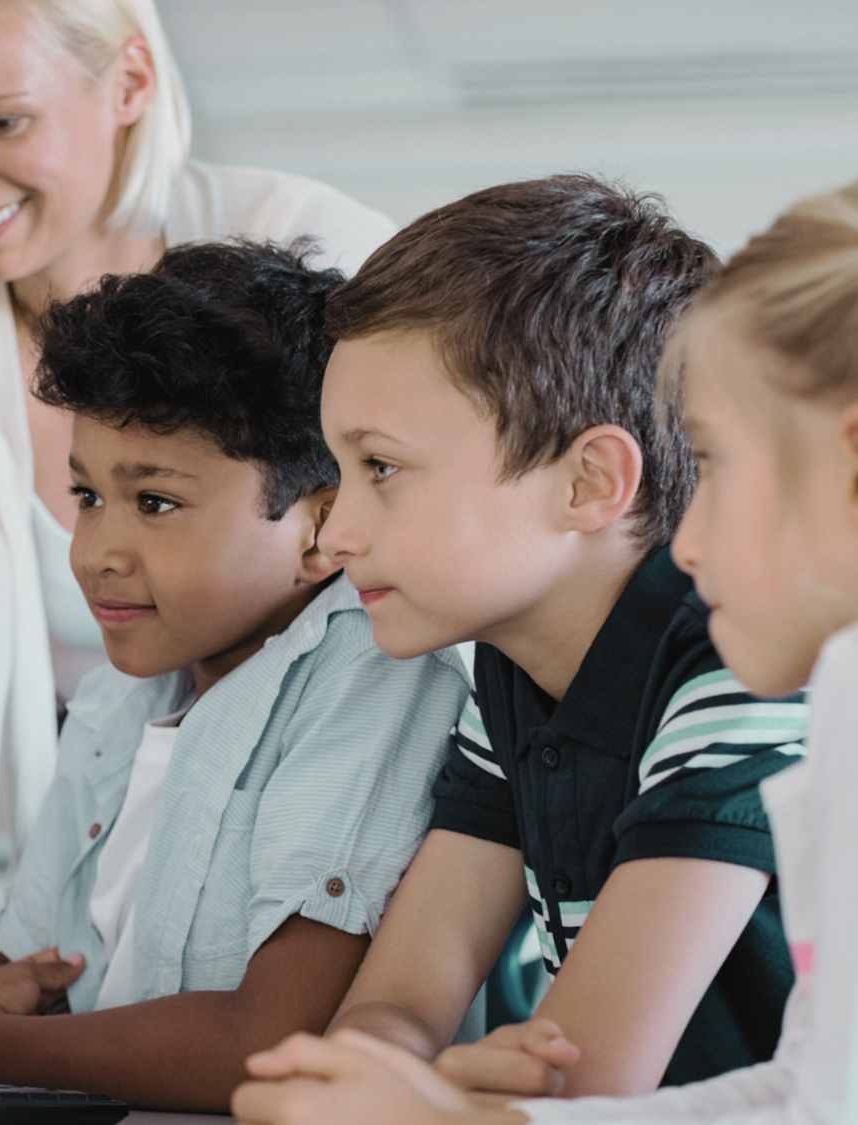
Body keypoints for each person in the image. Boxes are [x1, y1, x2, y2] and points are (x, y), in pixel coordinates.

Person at [0, 241, 469, 1110]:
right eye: (86, 496)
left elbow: (271, 1044)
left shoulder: (374, 681)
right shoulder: (123, 691)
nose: (95, 553)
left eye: (155, 502)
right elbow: (41, 991)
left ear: (319, 527)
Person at [230, 180, 858, 1125]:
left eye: (383, 468)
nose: (334, 534)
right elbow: (395, 1011)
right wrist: (409, 1082)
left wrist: (431, 1100)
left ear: (589, 482)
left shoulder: (739, 663)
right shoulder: (509, 668)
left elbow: (586, 1075)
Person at [0, 0, 398, 968]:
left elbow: (413, 556)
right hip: (105, 766)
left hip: (314, 769)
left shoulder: (311, 253)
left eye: (2, 121)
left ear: (131, 86)